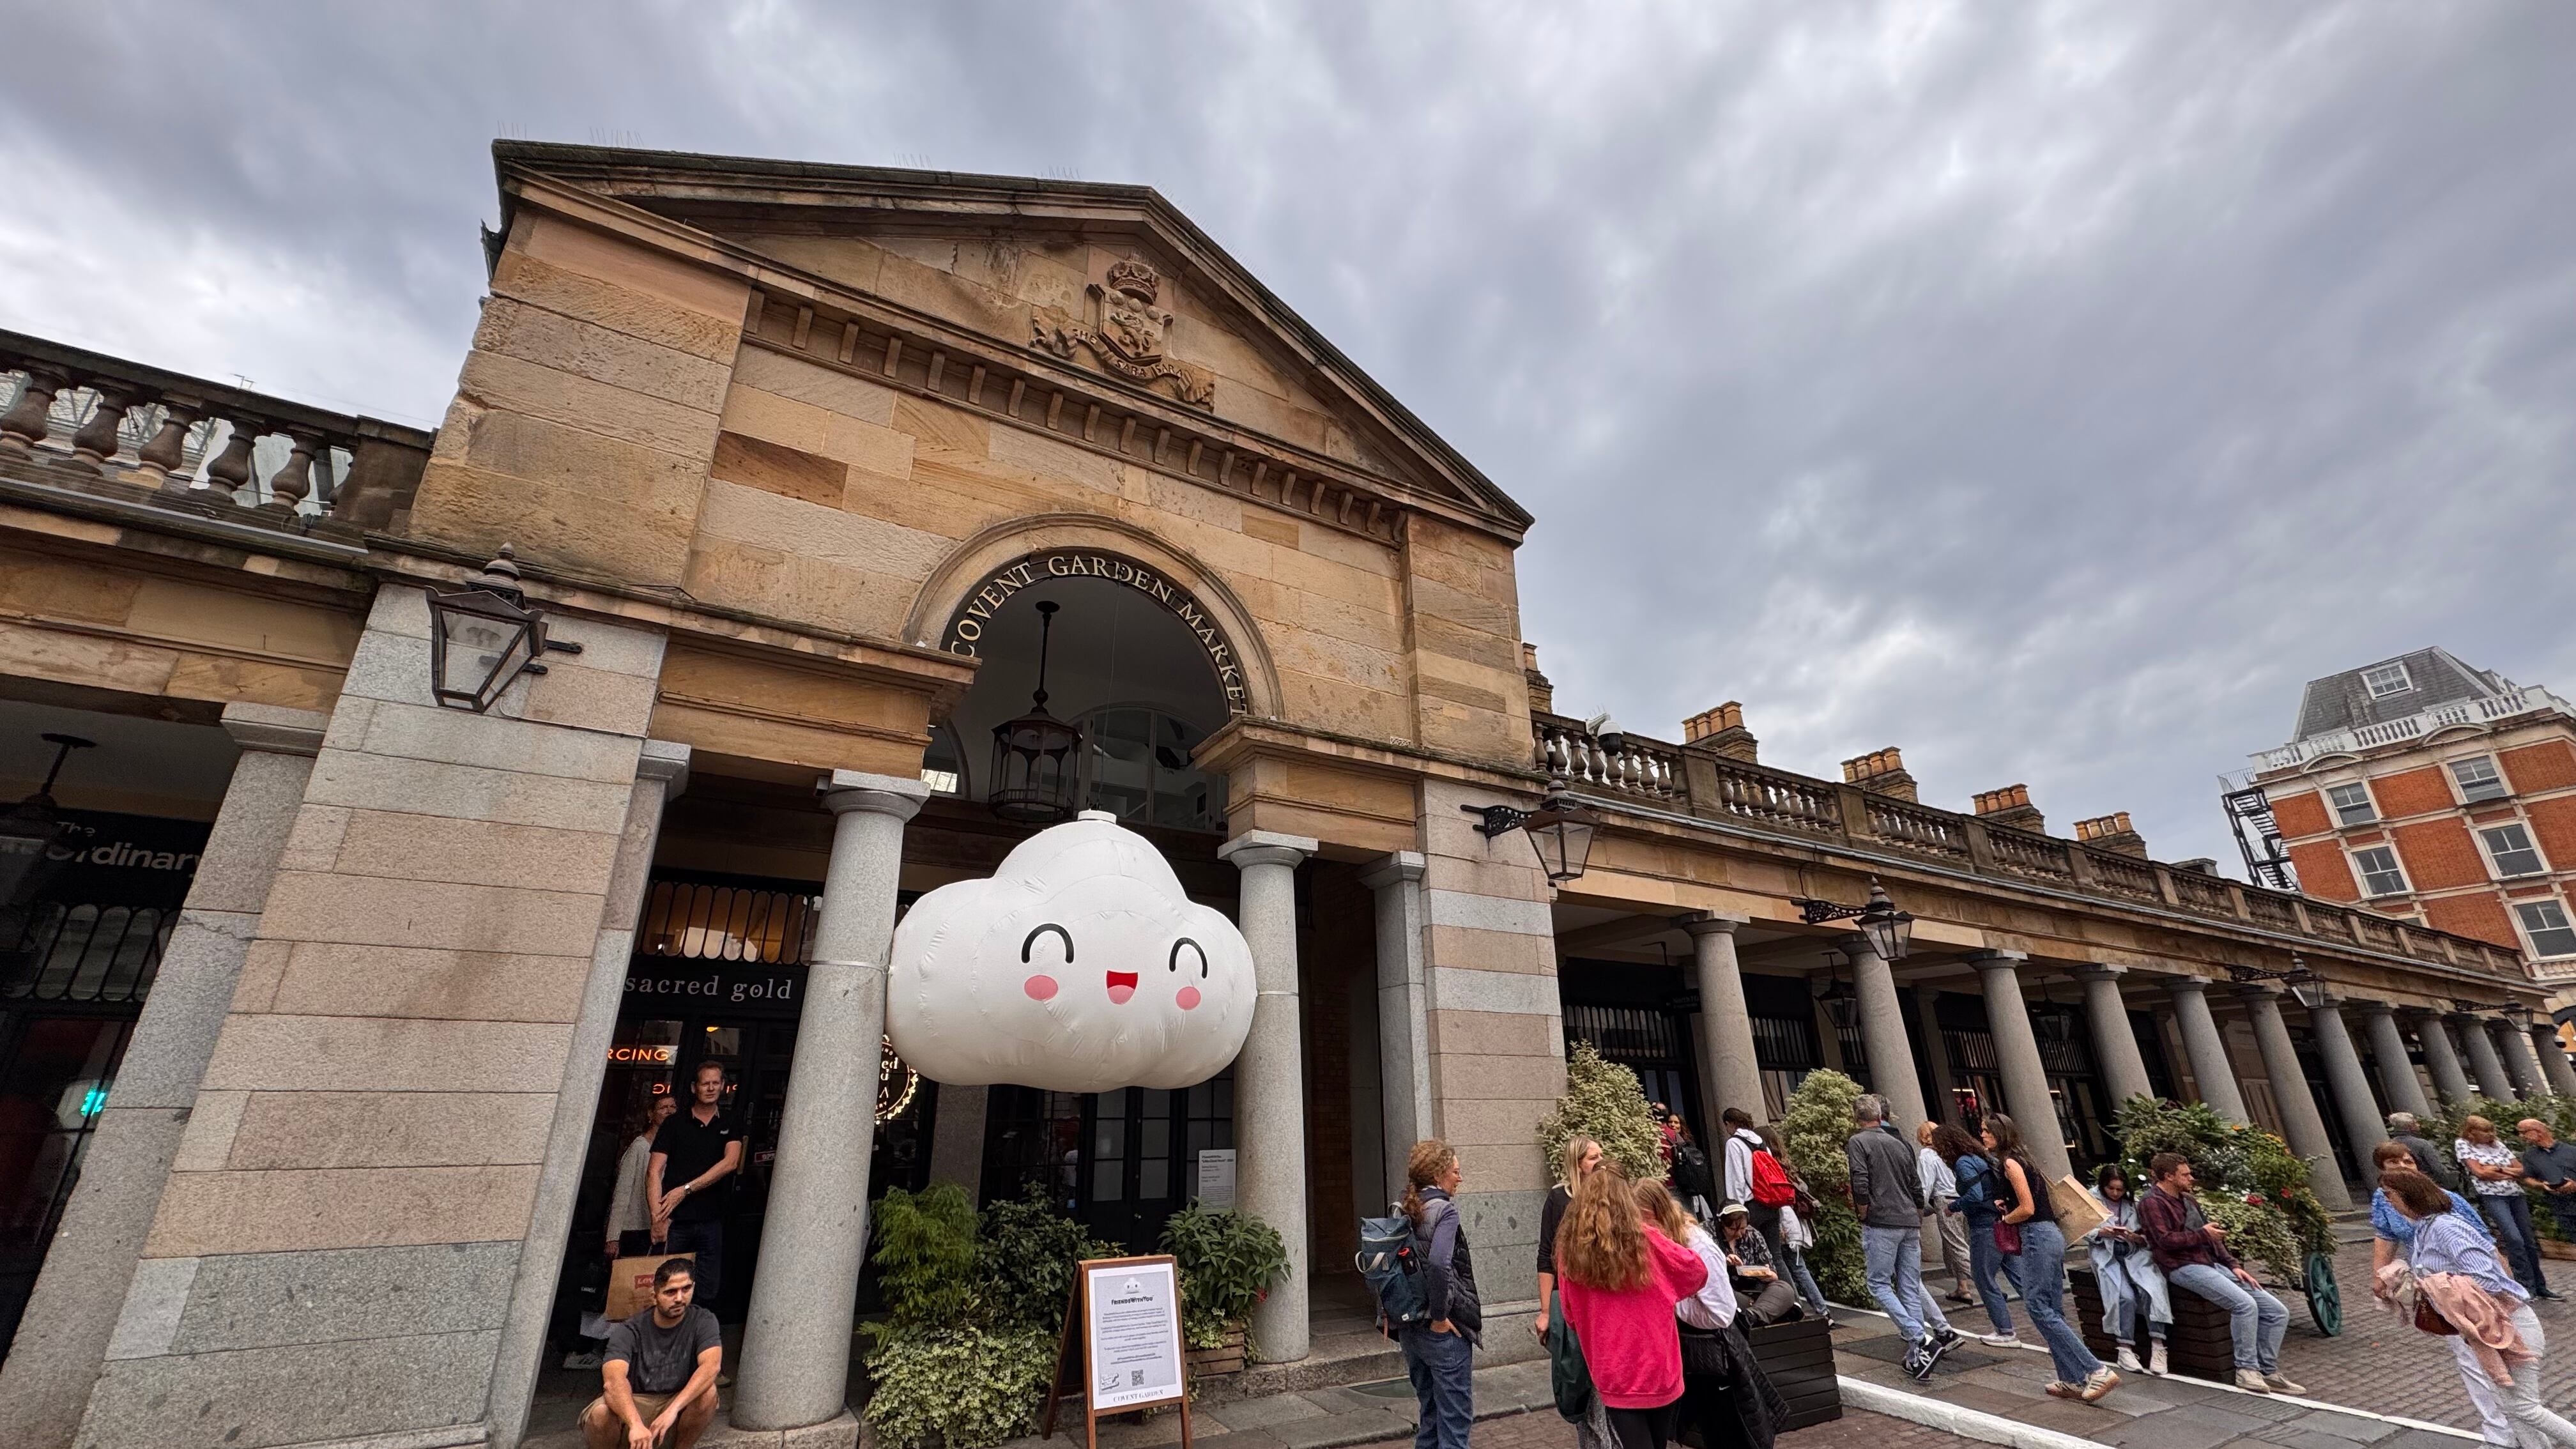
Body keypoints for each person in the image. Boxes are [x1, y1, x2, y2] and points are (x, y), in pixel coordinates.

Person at [2381, 1168, 2576, 1447]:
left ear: (2408, 1195)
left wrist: (2433, 1285)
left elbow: (2486, 1278)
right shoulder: (2425, 1228)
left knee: (2524, 1407)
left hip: (2510, 1325)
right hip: (2487, 1330)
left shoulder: (2446, 1228)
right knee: (2512, 1407)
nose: (2387, 1201)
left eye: (2389, 1195)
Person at [2366, 1144, 2515, 1448]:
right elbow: (2385, 1235)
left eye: (2408, 1161)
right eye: (2394, 1162)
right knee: (2469, 1362)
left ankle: (2514, 1427)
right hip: (2439, 1292)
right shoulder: (2384, 1200)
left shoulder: (2447, 1203)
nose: (2403, 1166)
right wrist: (2379, 1276)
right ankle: (2500, 1430)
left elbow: (2484, 1244)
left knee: (2493, 1358)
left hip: (2466, 1290)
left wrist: (2506, 1288)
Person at [1554, 1162, 1710, 1449]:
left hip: (1613, 1369)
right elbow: (1696, 1272)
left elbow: (1571, 1315)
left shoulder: (1570, 1252)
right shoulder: (1646, 1239)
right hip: (1658, 1363)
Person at [2138, 1151, 2299, 1395]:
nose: (2191, 1177)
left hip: (2211, 1263)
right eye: (2185, 1174)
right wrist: (2203, 1235)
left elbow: (2214, 1239)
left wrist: (2234, 1265)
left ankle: (2267, 1370)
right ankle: (2246, 1370)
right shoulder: (2151, 1203)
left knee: (2277, 1311)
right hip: (2182, 1266)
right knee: (2244, 1305)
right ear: (2168, 1176)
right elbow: (2164, 1241)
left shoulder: (2189, 1201)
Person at [1985, 1114, 2118, 1402]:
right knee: (2052, 1309)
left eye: (1986, 1131)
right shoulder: (2025, 1161)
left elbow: (2028, 1208)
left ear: (1999, 1135)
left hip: (2036, 1235)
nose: (1982, 1135)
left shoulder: (2009, 1163)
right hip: (2049, 1236)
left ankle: (2096, 1369)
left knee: (2038, 1307)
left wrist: (2006, 1217)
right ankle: (2070, 1378)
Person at [1641, 1181, 1781, 1449]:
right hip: (1695, 1355)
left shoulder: (1698, 1244)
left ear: (1656, 1214)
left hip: (1714, 1353)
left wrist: (1673, 1303)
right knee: (1710, 1429)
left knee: (1728, 1432)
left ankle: (1753, 1316)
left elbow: (1721, 1314)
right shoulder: (1668, 1242)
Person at [1846, 1095, 1956, 1380]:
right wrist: (1917, 1212)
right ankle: (1915, 1355)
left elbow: (1860, 1181)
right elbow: (1914, 1184)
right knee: (1908, 1285)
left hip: (1882, 1220)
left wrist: (1862, 1212)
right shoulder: (1899, 1142)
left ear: (1857, 1118)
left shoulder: (1859, 1142)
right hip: (1909, 1219)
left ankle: (1920, 1339)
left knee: (1878, 1283)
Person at [567, 1096, 680, 1369]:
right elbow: (622, 1194)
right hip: (634, 1229)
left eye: (673, 1108)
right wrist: (613, 1236)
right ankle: (591, 1349)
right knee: (620, 1294)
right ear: (651, 1114)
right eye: (663, 1107)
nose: (669, 1111)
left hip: (655, 1231)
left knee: (642, 1295)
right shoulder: (641, 1148)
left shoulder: (671, 1148)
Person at [581, 1257, 722, 1449]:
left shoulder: (703, 1320)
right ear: (655, 1295)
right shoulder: (629, 1330)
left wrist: (673, 1410)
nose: (679, 1298)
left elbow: (711, 1366)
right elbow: (614, 1381)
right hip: (637, 1402)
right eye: (671, 1292)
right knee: (600, 1414)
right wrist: (635, 1424)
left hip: (675, 1402)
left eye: (686, 1289)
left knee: (709, 1392)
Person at [1400, 1138, 1478, 1449]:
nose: (1459, 1178)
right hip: (1440, 1332)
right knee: (1456, 1423)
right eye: (1455, 1172)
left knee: (1430, 1416)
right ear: (1437, 1175)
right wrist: (1441, 1318)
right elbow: (1439, 1264)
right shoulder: (1444, 1211)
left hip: (1409, 1329)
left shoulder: (1402, 1205)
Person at [650, 1061, 744, 1309]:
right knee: (669, 1287)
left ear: (723, 1086)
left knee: (706, 1289)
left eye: (716, 1083)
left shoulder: (730, 1122)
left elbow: (731, 1162)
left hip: (711, 1220)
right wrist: (657, 1218)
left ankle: (695, 1341)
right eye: (705, 1083)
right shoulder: (674, 1124)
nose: (711, 1088)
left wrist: (686, 1190)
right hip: (676, 1221)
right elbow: (654, 1171)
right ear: (695, 1087)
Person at [2082, 1163, 2170, 1376]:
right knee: (2124, 1296)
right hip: (2106, 1252)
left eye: (2119, 1189)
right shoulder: (2089, 1199)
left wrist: (2136, 1237)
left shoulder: (2134, 1203)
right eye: (2111, 1188)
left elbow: (2147, 1235)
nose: (2115, 1193)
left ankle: (2158, 1345)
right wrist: (2101, 1232)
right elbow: (2079, 1228)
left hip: (2133, 1252)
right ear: (2103, 1186)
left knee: (2152, 1288)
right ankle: (2125, 1348)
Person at [1935, 1123, 2017, 1346]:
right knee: (2018, 1278)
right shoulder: (1979, 1157)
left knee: (1983, 1277)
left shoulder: (1963, 1162)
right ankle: (2050, 1323)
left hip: (1984, 1225)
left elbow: (1975, 1194)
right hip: (1999, 1221)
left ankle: (2005, 1330)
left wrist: (1953, 1207)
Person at [2457, 1116, 2554, 1298]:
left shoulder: (2497, 1145)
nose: (2490, 1134)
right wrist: (2505, 1172)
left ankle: (2540, 1286)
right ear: (2472, 1132)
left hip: (2515, 1194)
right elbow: (2479, 1173)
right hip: (2492, 1196)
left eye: (2491, 1130)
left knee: (2529, 1241)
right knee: (2514, 1238)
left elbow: (2521, 1170)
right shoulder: (2463, 1144)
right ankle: (2525, 1286)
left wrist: (2497, 1170)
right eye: (2485, 1131)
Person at [1756, 1127, 1833, 1326]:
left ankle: (1802, 1306)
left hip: (1784, 1224)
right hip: (1796, 1224)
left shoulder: (1769, 1165)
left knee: (1791, 1267)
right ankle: (1822, 1310)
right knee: (1799, 1268)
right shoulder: (1786, 1165)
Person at [1537, 1134, 1606, 1342]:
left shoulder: (1611, 1195)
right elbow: (1546, 1256)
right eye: (1593, 1158)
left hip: (1605, 1296)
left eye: (1602, 1155)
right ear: (1577, 1164)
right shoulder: (1559, 1199)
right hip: (1572, 1299)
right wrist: (1546, 1312)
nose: (1601, 1161)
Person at [1720, 1108, 1788, 1273]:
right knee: (1776, 1257)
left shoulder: (1734, 1143)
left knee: (1749, 1255)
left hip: (1751, 1207)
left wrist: (1735, 1209)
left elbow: (1735, 1179)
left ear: (1730, 1124)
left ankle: (1759, 1296)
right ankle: (1791, 1297)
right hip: (1770, 1205)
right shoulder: (1761, 1142)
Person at [1713, 1202, 1801, 1326]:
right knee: (1724, 1295)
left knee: (1785, 1288)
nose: (1739, 1234)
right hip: (1734, 1294)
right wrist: (1724, 1262)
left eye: (1743, 1229)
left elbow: (1773, 1273)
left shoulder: (1753, 1234)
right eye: (1733, 1229)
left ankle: (1751, 1317)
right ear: (1722, 1225)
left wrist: (1767, 1275)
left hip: (1757, 1292)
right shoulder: (1710, 1238)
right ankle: (1768, 1312)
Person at [1917, 1120, 1974, 1306]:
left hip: (1945, 1201)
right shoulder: (1949, 1152)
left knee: (1956, 1246)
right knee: (1956, 1245)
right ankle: (1962, 1287)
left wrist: (1920, 1207)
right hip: (1962, 1200)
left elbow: (1926, 1184)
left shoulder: (1927, 1154)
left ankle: (1985, 1284)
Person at [2515, 1118, 2576, 1246]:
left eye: (2523, 1132)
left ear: (2538, 1131)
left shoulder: (2571, 1151)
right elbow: (2527, 1178)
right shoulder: (2530, 1157)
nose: (2521, 1136)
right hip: (2562, 1209)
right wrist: (2542, 1185)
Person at [2391, 1112, 2462, 1191]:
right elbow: (2437, 1169)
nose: (2418, 1125)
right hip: (2430, 1186)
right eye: (2416, 1123)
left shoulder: (2390, 1145)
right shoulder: (2423, 1144)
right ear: (2410, 1126)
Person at [1670, 1119, 1718, 1221]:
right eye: (1671, 1122)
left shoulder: (1688, 1145)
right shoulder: (1671, 1142)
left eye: (1676, 1122)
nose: (1673, 1125)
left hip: (1690, 1189)